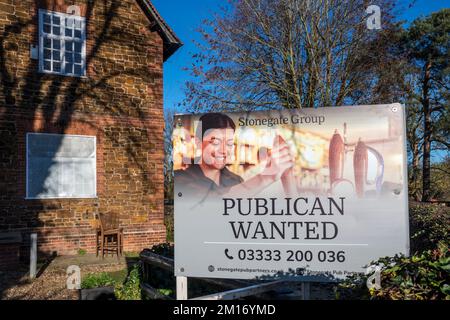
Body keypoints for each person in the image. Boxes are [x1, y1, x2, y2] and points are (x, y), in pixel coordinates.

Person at [174, 113, 295, 205]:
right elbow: (212, 204)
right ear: (198, 142)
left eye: (229, 143)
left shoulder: (236, 180)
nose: (223, 150)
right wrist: (266, 177)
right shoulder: (180, 179)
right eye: (215, 142)